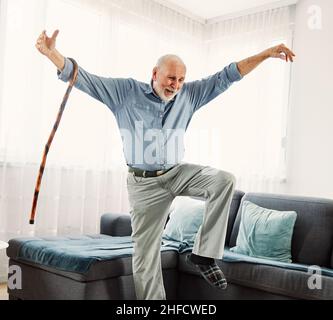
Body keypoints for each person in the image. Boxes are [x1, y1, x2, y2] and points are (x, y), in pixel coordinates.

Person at [35, 29, 295, 300]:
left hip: (176, 172)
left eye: (181, 80)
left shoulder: (189, 95)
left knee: (223, 179)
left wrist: (266, 54)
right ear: (155, 73)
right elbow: (85, 79)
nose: (176, 85)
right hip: (143, 185)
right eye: (172, 78)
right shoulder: (125, 92)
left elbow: (228, 74)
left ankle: (204, 256)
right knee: (145, 255)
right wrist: (53, 54)